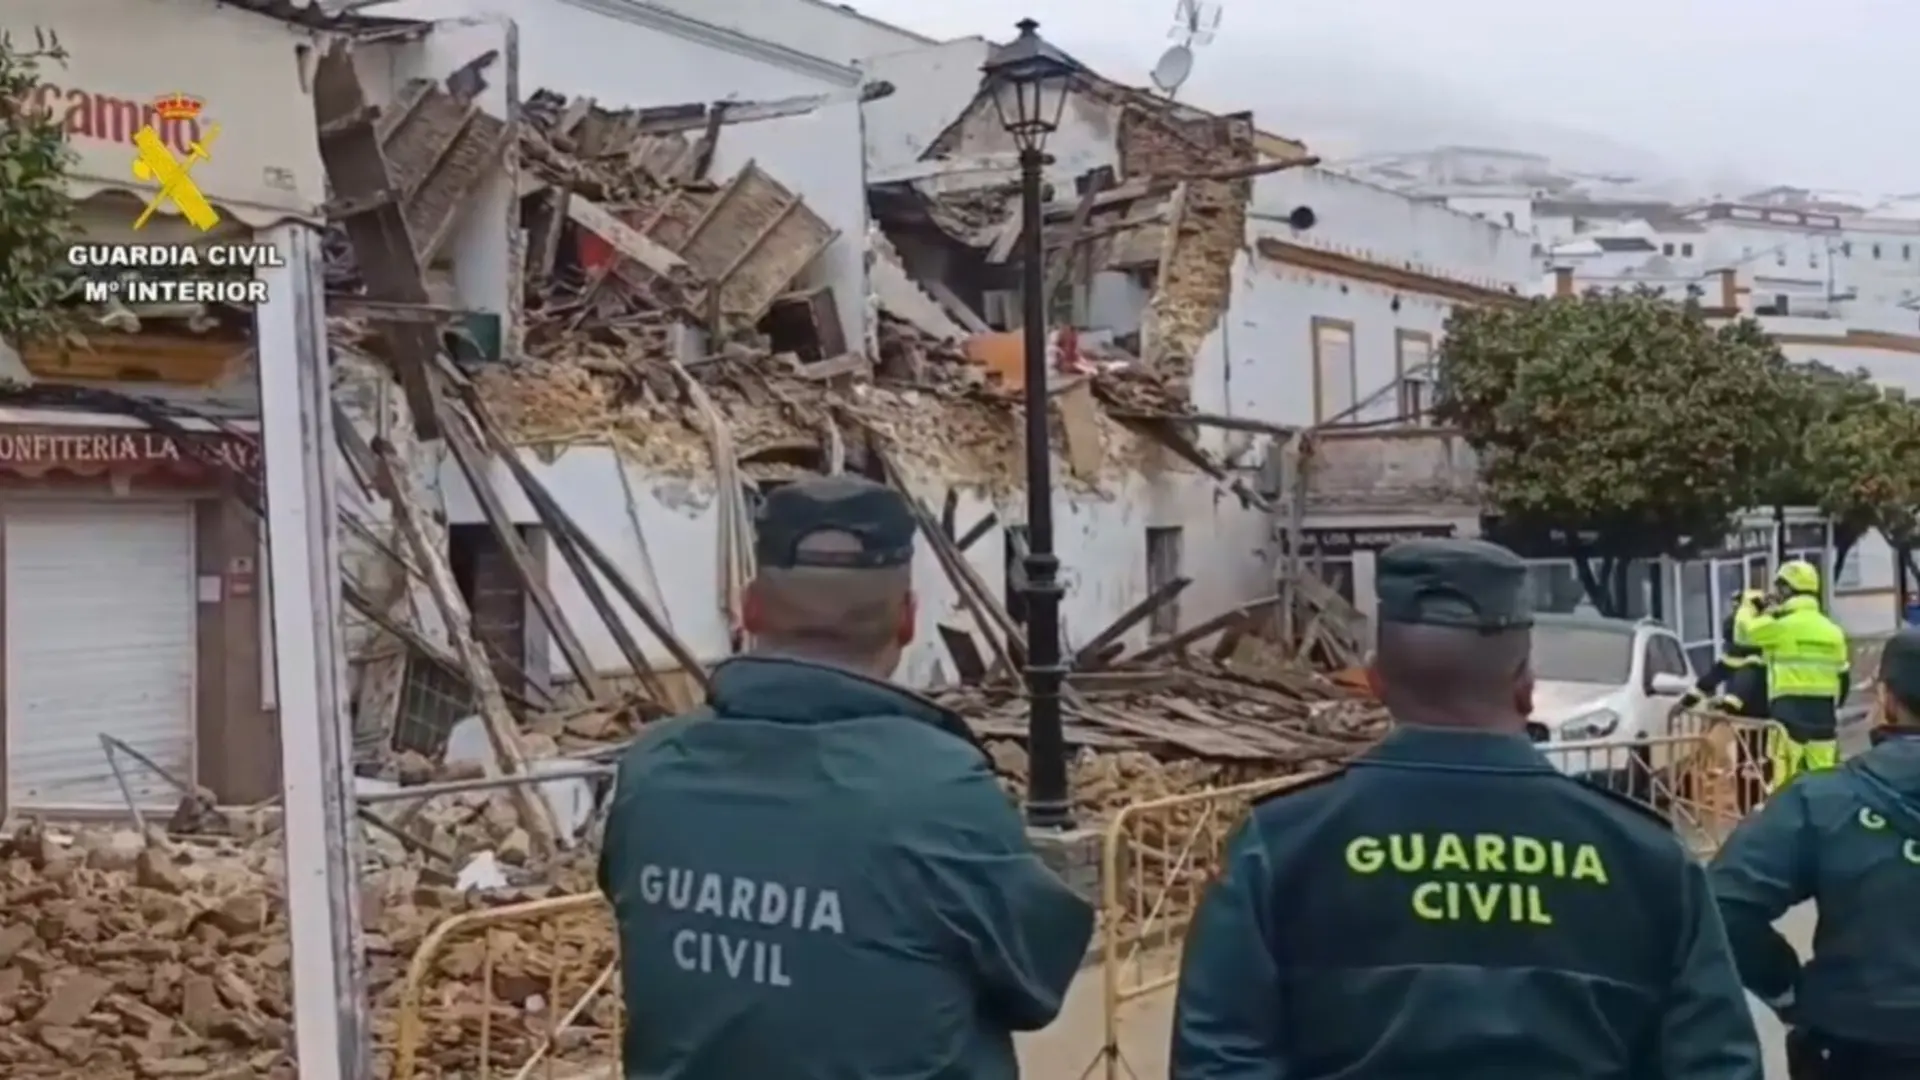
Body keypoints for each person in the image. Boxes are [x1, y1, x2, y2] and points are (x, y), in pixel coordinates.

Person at [1170, 537, 1764, 1080]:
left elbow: (1218, 1061)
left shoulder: (1279, 846)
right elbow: (1715, 1065)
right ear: (1526, 684)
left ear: (1374, 682)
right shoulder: (1645, 856)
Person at [598, 474, 1093, 1080]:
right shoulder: (937, 792)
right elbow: (1036, 981)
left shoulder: (652, 772)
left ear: (751, 609)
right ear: (908, 620)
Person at [1710, 627, 1920, 1078]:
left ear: (1885, 699)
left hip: (1855, 1044)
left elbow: (1724, 903)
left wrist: (1787, 989)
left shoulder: (1822, 800)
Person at [1742, 559, 1850, 792]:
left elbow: (1743, 633)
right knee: (1824, 786)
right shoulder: (1833, 632)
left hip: (1787, 717)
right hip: (1823, 718)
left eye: (1779, 588)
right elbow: (1844, 678)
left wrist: (1748, 606)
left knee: (1784, 788)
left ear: (1786, 589)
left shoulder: (1780, 626)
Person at [1683, 588, 1772, 808]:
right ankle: (1749, 814)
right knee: (1747, 770)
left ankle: (1760, 812)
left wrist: (1728, 705)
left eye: (1738, 608)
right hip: (1746, 725)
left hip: (1767, 722)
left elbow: (1747, 681)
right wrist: (1687, 701)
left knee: (1762, 769)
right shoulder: (1738, 647)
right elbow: (1716, 674)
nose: (1733, 616)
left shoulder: (1762, 647)